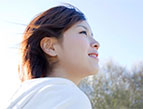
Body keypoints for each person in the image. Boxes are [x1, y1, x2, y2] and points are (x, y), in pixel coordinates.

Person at [6, 4, 100, 109]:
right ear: (50, 47)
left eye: (92, 35)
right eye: (83, 32)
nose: (96, 44)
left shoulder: (20, 98)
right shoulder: (70, 98)